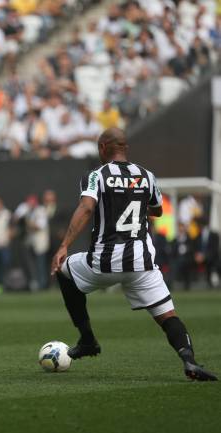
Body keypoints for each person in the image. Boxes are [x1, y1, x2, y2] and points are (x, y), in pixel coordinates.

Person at [51, 127, 217, 381]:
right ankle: (189, 361)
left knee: (63, 272)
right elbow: (158, 211)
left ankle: (87, 340)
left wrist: (64, 245)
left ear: (103, 148)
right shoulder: (147, 176)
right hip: (142, 263)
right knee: (167, 316)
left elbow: (86, 208)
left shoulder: (96, 175)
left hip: (104, 263)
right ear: (125, 148)